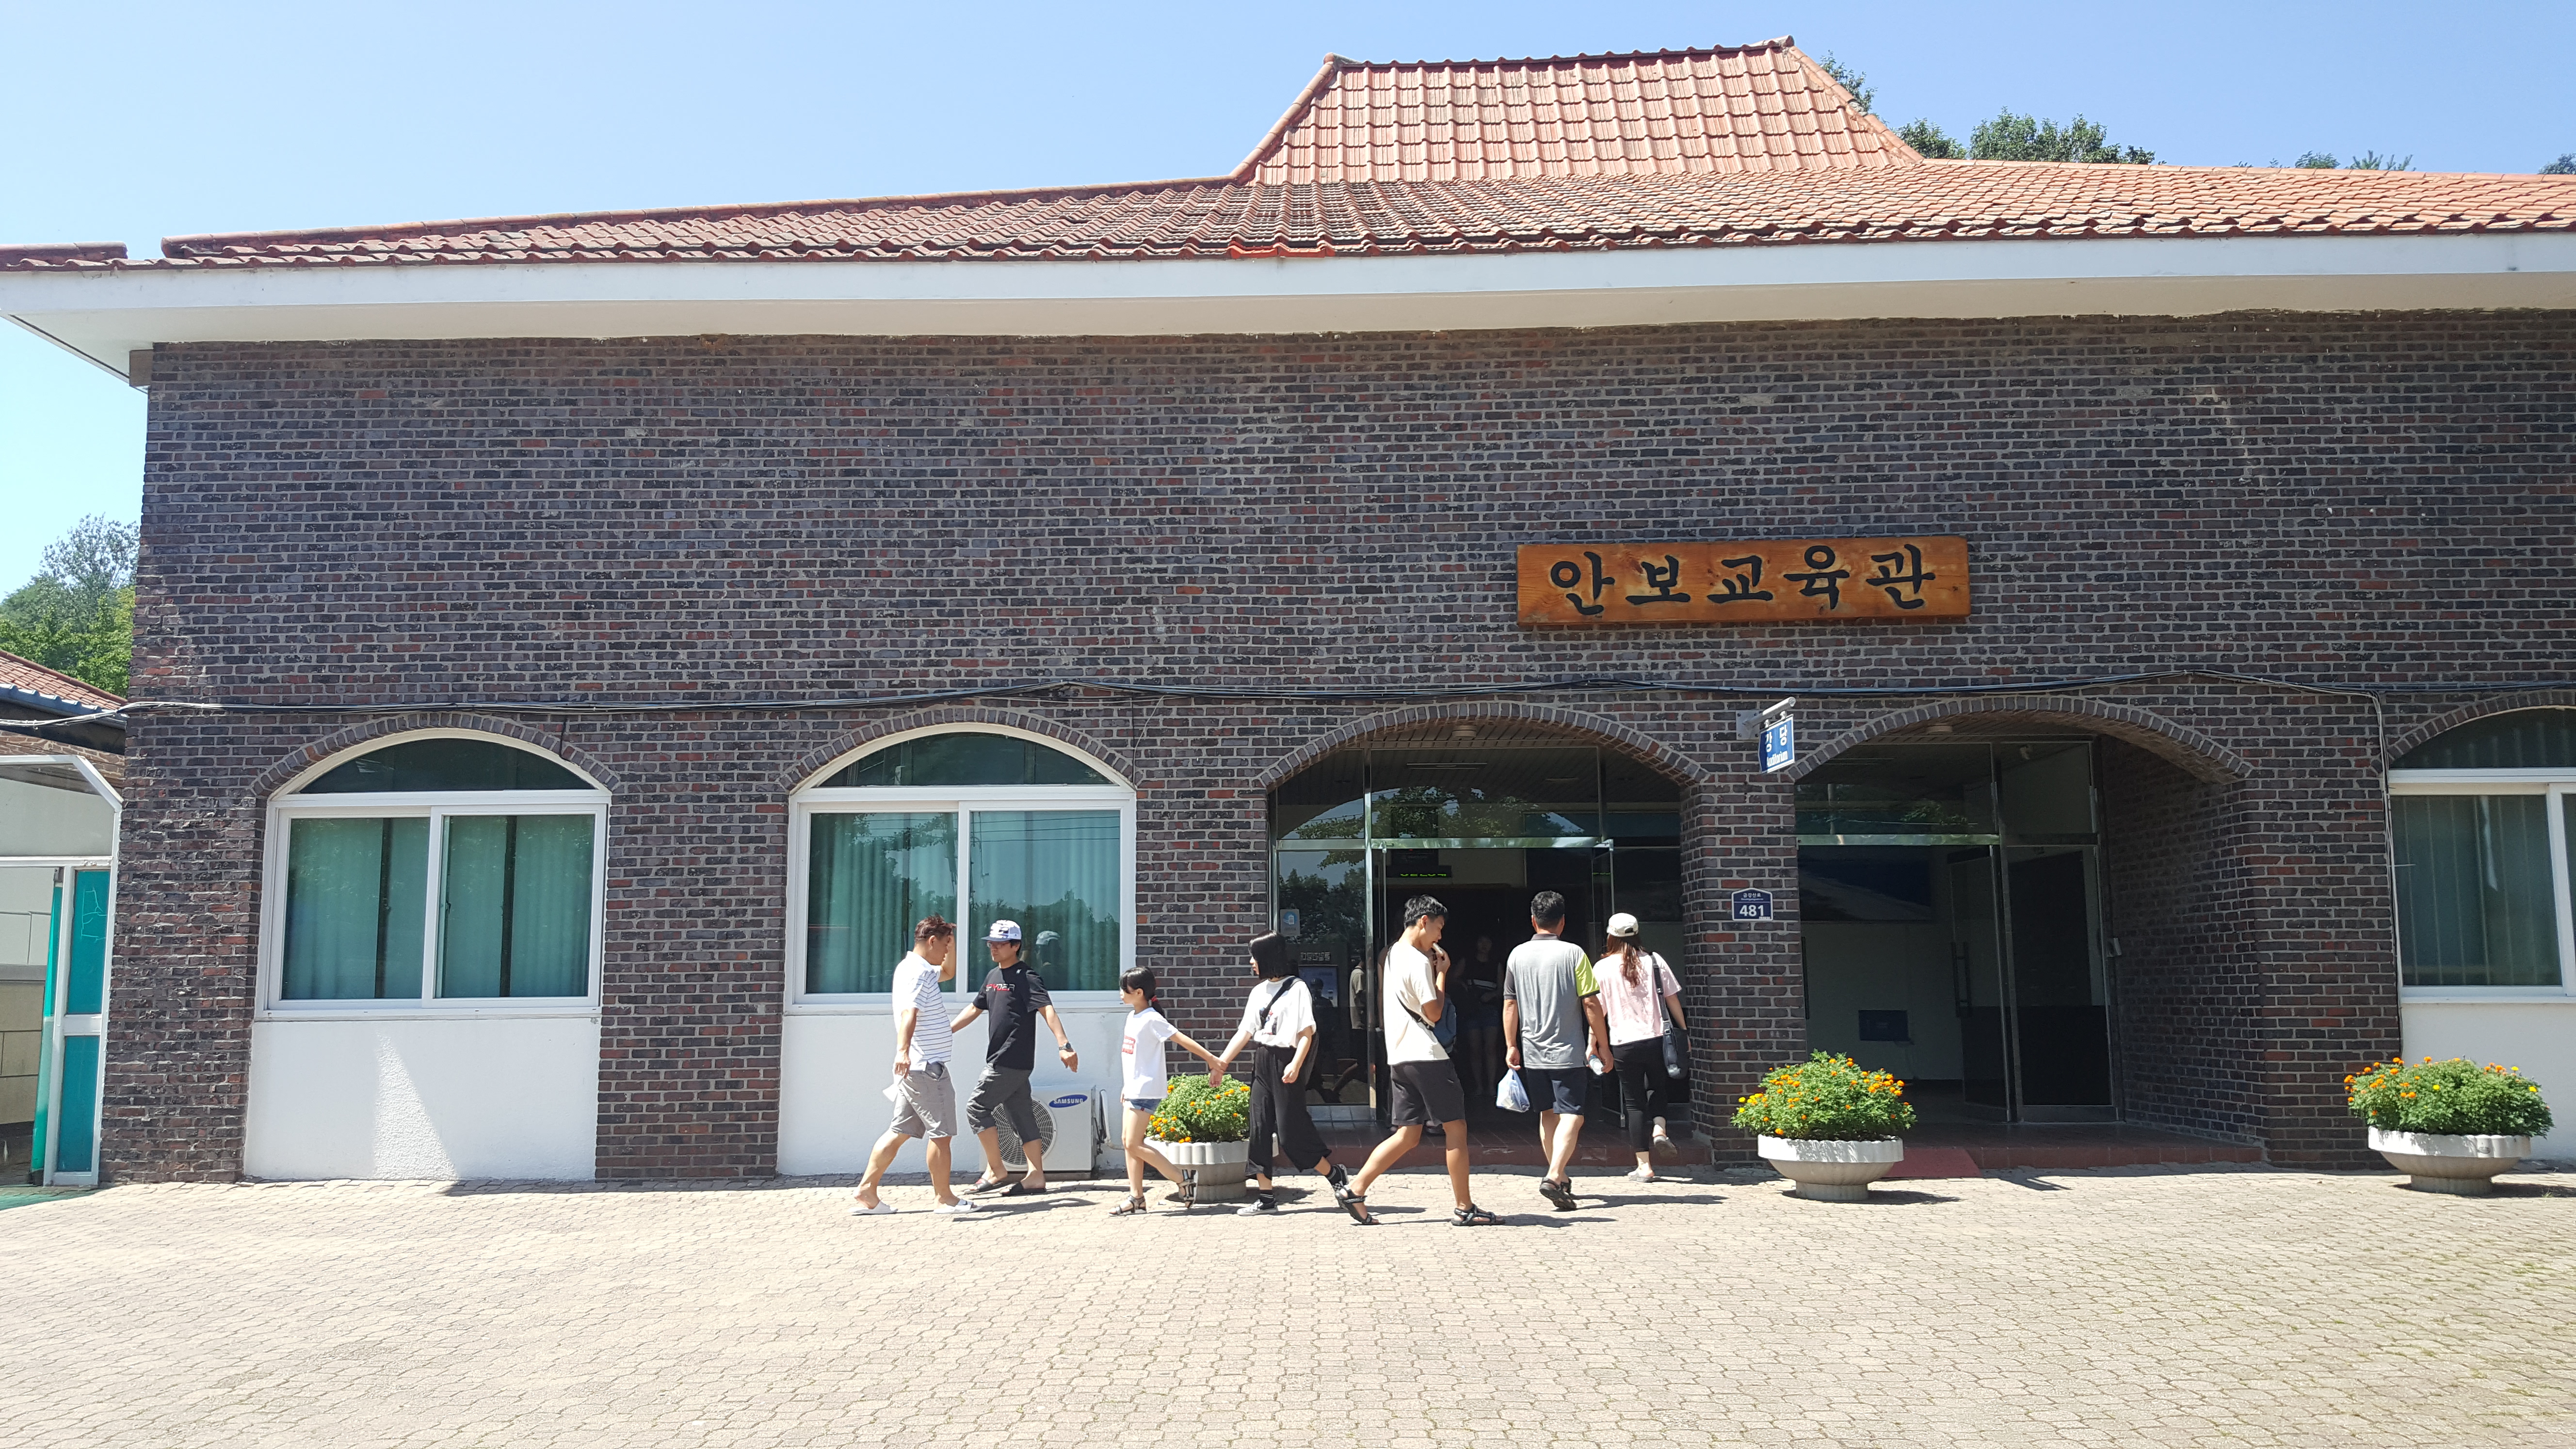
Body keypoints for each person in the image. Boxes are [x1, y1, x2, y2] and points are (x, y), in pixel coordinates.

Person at [1344, 895, 1502, 1227]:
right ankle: (1464, 1207)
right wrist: (1442, 974)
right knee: (1456, 1127)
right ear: (1424, 921)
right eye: (1439, 928)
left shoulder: (1391, 955)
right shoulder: (1417, 960)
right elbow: (1434, 1013)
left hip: (1400, 1056)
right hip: (1426, 1055)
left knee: (1408, 1134)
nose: (1440, 937)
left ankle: (1355, 1189)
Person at [1213, 931, 1354, 1217]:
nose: (1251, 963)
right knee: (1259, 1128)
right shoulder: (1258, 992)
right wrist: (1221, 1063)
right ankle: (1266, 1198)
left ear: (1268, 957)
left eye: (1255, 957)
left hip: (1287, 1061)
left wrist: (1297, 1064)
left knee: (1291, 1134)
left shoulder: (1297, 988)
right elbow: (1245, 1032)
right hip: (1263, 1060)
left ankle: (1334, 1174)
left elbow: (1306, 1034)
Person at [851, 915, 979, 1216]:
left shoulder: (913, 968)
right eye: (945, 945)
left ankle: (867, 1190)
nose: (947, 952)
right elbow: (910, 1013)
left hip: (916, 1069)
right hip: (926, 1069)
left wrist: (952, 942)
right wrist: (902, 1052)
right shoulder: (919, 974)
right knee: (942, 1135)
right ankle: (944, 1199)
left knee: (899, 1131)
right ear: (932, 941)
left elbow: (948, 972)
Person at [949, 919, 1079, 1195]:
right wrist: (947, 1031)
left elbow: (1047, 1010)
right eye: (991, 943)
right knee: (1022, 1117)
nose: (993, 948)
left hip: (1011, 1057)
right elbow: (974, 1009)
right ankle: (1036, 1177)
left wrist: (1064, 1044)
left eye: (999, 944)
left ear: (1016, 946)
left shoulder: (1027, 976)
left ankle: (996, 1170)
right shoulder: (992, 976)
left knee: (977, 1107)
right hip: (1005, 1058)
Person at [1503, 890, 1609, 1211]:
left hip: (1532, 1051)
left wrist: (1511, 1045)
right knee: (1573, 1115)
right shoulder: (1575, 954)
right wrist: (1602, 1044)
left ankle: (1560, 1178)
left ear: (1533, 921)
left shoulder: (1516, 955)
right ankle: (1553, 1176)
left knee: (1547, 1114)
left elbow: (1510, 1004)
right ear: (1562, 922)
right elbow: (1591, 1002)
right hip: (1568, 1051)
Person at [1108, 967, 1230, 1216]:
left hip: (1146, 1090)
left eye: (1125, 989)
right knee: (1129, 1144)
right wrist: (1126, 1086)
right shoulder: (1133, 1017)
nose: (1121, 993)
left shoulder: (1152, 1019)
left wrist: (1211, 1060)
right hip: (1133, 1089)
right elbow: (1133, 1058)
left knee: (1132, 1143)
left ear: (1139, 992)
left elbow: (1182, 1039)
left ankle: (1183, 1178)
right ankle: (1137, 1199)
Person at [1598, 912, 1689, 1181]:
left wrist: (1595, 1043)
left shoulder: (1602, 967)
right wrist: (1684, 1032)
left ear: (1610, 936)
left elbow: (1598, 1011)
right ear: (1637, 934)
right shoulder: (1655, 961)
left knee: (1634, 1104)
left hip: (1623, 1043)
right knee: (1658, 1088)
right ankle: (1660, 1129)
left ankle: (1644, 1167)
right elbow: (1672, 1000)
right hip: (1657, 1038)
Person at [1455, 933, 1506, 1108]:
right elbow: (1452, 978)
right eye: (1481, 941)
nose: (1484, 945)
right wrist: (1465, 988)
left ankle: (1491, 1086)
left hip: (1490, 1009)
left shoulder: (1496, 965)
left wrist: (1491, 995)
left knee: (1491, 1048)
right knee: (1475, 1049)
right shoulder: (1467, 961)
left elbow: (1502, 989)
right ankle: (1478, 1086)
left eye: (1488, 942)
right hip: (1472, 1009)